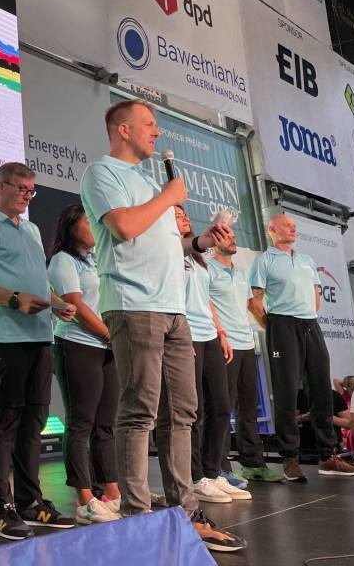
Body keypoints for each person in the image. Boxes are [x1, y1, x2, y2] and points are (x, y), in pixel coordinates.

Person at [79, 99, 245, 552]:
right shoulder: (102, 173)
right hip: (134, 304)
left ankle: (184, 512)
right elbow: (124, 227)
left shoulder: (152, 183)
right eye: (149, 124)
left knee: (183, 412)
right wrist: (168, 198)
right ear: (123, 129)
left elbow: (171, 244)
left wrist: (201, 241)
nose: (157, 132)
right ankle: (136, 518)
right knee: (139, 411)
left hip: (174, 308)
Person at [0, 162, 77, 540]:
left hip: (40, 334)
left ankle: (30, 502)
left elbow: (39, 282)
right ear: (0, 186)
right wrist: (13, 299)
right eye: (21, 188)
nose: (27, 195)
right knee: (6, 421)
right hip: (6, 337)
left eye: (31, 190)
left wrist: (57, 303)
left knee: (34, 422)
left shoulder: (31, 229)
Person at [248, 214, 354, 479]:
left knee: (321, 389)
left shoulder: (306, 260)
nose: (292, 228)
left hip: (311, 324)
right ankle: (289, 457)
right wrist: (275, 328)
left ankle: (329, 455)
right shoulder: (264, 261)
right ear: (272, 229)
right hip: (282, 325)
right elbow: (254, 302)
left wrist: (305, 315)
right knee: (287, 392)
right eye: (286, 225)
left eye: (294, 226)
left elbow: (315, 298)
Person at [46, 201, 121, 524]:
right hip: (77, 345)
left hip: (107, 346)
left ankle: (113, 492)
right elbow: (75, 306)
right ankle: (84, 498)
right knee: (81, 423)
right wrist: (109, 334)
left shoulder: (97, 258)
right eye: (88, 222)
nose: (95, 226)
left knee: (106, 424)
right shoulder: (63, 260)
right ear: (71, 226)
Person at [172, 207, 249, 505]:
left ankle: (212, 472)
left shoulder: (198, 256)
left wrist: (221, 332)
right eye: (177, 215)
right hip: (187, 334)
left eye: (185, 214)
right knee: (195, 409)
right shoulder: (170, 252)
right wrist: (180, 335)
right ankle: (195, 477)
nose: (184, 218)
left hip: (209, 335)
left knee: (221, 405)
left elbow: (206, 299)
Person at [208, 230, 283, 483]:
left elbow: (252, 305)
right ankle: (218, 467)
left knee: (248, 407)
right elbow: (205, 305)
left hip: (246, 345)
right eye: (226, 236)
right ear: (213, 241)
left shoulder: (240, 272)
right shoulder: (207, 269)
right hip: (223, 345)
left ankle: (253, 464)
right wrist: (220, 335)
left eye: (233, 236)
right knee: (220, 407)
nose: (233, 239)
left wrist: (273, 329)